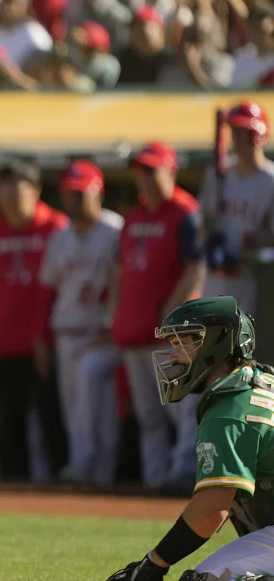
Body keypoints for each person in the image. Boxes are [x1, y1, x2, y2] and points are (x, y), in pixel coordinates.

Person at [86, 296, 274, 581]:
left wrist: (152, 565)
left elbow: (212, 509)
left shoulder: (231, 404)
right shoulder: (263, 384)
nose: (175, 354)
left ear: (218, 343)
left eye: (186, 342)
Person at [110, 141, 205, 490]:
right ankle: (155, 478)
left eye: (152, 170)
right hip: (135, 327)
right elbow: (120, 272)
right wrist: (117, 315)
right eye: (140, 171)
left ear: (171, 170)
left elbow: (196, 268)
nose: (145, 178)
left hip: (172, 331)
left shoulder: (185, 212)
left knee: (180, 409)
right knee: (149, 414)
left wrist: (172, 312)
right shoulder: (134, 216)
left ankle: (183, 475)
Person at [0, 158, 69, 482]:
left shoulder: (56, 227)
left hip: (46, 342)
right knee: (9, 423)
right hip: (4, 342)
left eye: (19, 187)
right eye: (5, 187)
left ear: (36, 191)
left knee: (52, 418)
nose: (11, 195)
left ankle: (62, 485)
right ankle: (14, 493)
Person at [38, 160, 123, 484]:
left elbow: (124, 282)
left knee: (98, 408)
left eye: (80, 192)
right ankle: (87, 470)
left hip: (101, 334)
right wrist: (42, 337)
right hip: (67, 331)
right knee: (76, 410)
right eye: (69, 193)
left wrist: (113, 326)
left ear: (97, 190)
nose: (73, 200)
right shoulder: (61, 237)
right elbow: (49, 290)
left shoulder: (115, 230)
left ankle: (96, 469)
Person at [198, 100, 274, 317]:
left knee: (244, 344)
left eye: (244, 132)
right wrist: (211, 242)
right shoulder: (219, 175)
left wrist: (249, 242)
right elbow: (205, 219)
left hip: (252, 275)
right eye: (235, 131)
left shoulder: (270, 180)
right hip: (216, 273)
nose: (238, 139)